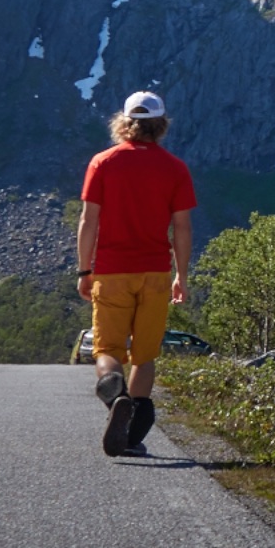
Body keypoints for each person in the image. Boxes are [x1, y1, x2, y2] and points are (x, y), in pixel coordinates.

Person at [77, 89, 196, 457]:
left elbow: (88, 221)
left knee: (108, 350)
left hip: (111, 272)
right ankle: (129, 432)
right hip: (156, 273)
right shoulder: (175, 168)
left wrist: (84, 270)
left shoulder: (103, 162)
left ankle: (115, 396)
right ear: (160, 126)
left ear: (124, 123)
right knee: (144, 356)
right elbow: (182, 228)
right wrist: (182, 275)